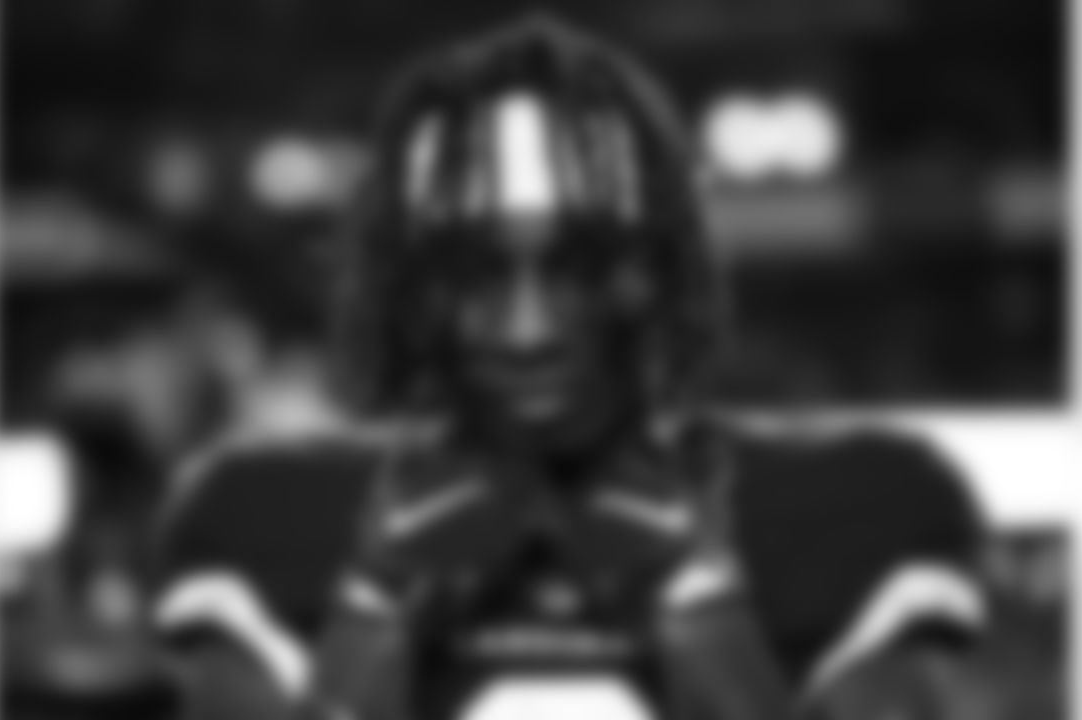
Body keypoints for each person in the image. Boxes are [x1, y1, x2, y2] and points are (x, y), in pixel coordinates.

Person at [153, 16, 992, 720]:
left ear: (661, 269)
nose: (528, 332)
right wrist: (370, 609)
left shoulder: (857, 503)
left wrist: (703, 609)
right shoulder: (263, 512)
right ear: (409, 287)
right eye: (476, 274)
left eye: (579, 268)